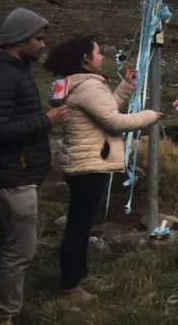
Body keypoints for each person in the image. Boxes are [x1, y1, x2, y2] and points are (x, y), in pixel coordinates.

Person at [44, 35, 163, 304]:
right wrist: (150, 116)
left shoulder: (80, 85)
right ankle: (69, 287)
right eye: (98, 53)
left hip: (85, 162)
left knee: (83, 223)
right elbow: (113, 121)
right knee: (78, 225)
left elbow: (104, 108)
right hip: (88, 165)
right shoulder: (88, 87)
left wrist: (125, 87)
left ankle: (80, 274)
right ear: (86, 59)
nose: (102, 57)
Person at [0, 8, 68, 325]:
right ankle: (6, 319)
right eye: (38, 38)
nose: (43, 45)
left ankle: (2, 314)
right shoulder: (1, 76)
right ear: (20, 39)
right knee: (21, 249)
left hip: (18, 173)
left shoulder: (14, 70)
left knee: (9, 244)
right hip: (13, 175)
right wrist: (47, 120)